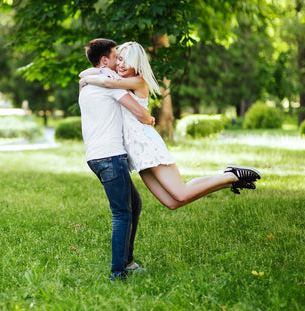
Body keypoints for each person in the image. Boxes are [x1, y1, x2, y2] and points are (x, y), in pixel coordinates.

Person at [79, 41, 261, 210]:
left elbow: (102, 81)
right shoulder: (119, 80)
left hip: (146, 144)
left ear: (138, 64)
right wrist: (92, 74)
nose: (121, 65)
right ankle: (230, 180)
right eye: (119, 59)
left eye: (128, 61)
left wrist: (89, 79)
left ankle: (229, 175)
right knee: (171, 203)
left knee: (181, 194)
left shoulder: (137, 81)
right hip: (135, 151)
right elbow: (85, 73)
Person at [78, 38, 155, 281]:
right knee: (122, 213)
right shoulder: (111, 85)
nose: (118, 61)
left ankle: (128, 262)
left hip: (95, 157)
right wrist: (149, 118)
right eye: (115, 56)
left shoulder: (86, 86)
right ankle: (118, 272)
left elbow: (85, 74)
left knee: (135, 203)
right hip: (111, 156)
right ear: (104, 61)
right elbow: (141, 113)